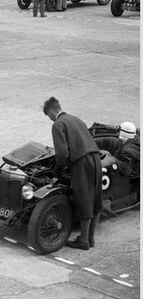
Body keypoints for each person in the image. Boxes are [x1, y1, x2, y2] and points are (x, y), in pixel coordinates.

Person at [43, 97, 102, 250]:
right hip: (96, 159)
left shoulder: (58, 124)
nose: (49, 119)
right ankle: (91, 239)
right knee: (95, 198)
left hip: (82, 163)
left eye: (48, 115)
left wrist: (56, 171)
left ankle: (83, 241)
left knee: (84, 200)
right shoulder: (76, 119)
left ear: (51, 111)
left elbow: (62, 154)